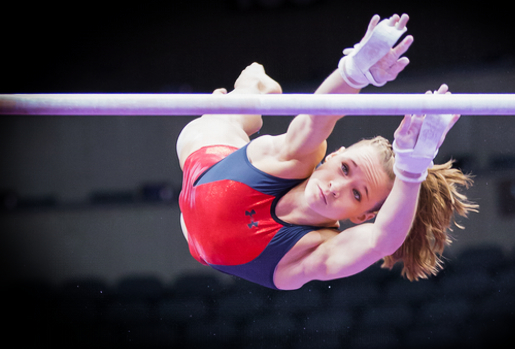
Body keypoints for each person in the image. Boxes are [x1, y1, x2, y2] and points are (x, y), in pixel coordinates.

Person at [176, 14, 477, 290]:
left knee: (234, 114)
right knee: (229, 109)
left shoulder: (317, 250)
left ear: (364, 216)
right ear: (333, 154)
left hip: (195, 235)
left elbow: (380, 241)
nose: (336, 188)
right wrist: (353, 72)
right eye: (346, 168)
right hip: (205, 163)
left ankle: (245, 103)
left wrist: (413, 168)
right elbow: (317, 117)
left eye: (357, 194)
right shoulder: (298, 158)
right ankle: (253, 91)